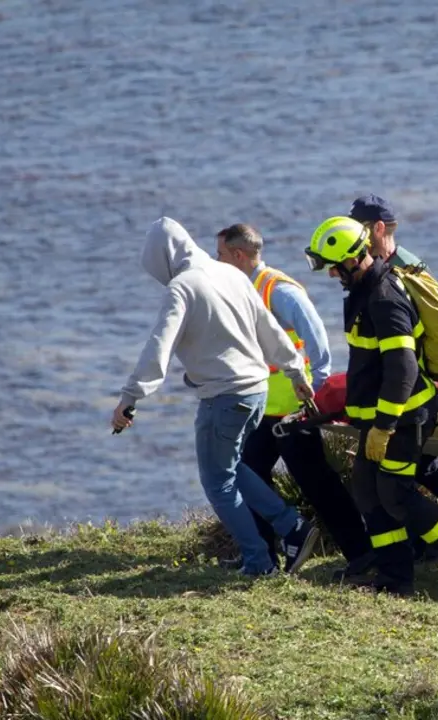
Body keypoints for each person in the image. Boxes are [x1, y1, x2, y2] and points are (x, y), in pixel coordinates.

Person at [304, 216, 438, 599]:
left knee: (394, 492)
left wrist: (384, 426)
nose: (331, 275)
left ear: (352, 259)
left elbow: (402, 368)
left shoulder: (384, 297)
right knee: (367, 488)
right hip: (382, 417)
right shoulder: (364, 291)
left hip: (404, 416)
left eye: (333, 266)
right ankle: (396, 576)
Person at [111, 217, 318, 577]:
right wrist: (296, 371)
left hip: (224, 397)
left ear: (164, 257)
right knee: (232, 467)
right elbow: (269, 329)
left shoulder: (182, 287)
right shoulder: (231, 274)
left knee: (217, 481)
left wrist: (129, 398)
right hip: (257, 391)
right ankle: (293, 528)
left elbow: (158, 348)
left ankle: (259, 562)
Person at [214, 223, 375, 579]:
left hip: (293, 411)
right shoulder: (243, 287)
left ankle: (362, 554)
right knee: (251, 477)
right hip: (263, 409)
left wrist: (314, 393)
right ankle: (262, 556)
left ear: (239, 256)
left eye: (221, 255)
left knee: (317, 483)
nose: (216, 261)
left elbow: (317, 340)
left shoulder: (278, 290)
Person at [348, 194, 438, 541]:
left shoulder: (394, 274)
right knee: (426, 469)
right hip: (417, 389)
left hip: (414, 393)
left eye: (360, 230)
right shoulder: (407, 264)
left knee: (407, 476)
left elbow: (405, 347)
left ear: (379, 228)